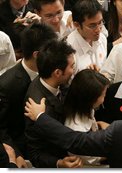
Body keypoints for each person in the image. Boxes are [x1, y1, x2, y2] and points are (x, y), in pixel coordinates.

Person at [0, 23, 57, 168]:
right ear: (37, 55)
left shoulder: (51, 71)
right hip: (23, 153)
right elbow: (2, 127)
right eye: (50, 51)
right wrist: (16, 154)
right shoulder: (7, 84)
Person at [24, 39, 83, 168]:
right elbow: (35, 153)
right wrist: (59, 163)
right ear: (57, 73)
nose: (74, 70)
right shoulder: (36, 106)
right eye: (72, 66)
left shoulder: (56, 83)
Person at [64, 69, 110, 166]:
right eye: (103, 95)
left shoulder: (86, 108)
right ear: (90, 98)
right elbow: (91, 158)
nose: (104, 97)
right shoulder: (76, 129)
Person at [67, 0, 107, 73]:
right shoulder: (68, 51)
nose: (98, 29)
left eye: (100, 22)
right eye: (92, 25)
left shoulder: (102, 38)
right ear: (77, 25)